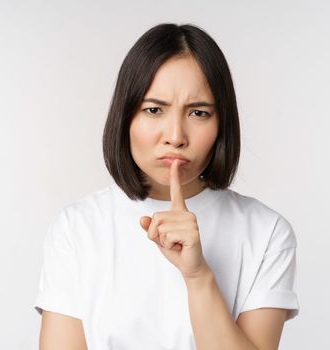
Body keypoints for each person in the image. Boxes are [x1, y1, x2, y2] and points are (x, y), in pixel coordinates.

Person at [33, 23, 300, 350]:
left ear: (221, 124)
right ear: (125, 116)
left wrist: (198, 276)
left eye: (198, 112)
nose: (175, 135)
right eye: (154, 110)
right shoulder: (77, 228)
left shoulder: (266, 232)